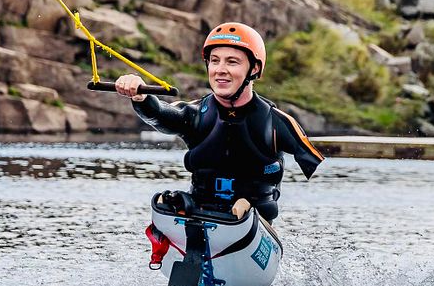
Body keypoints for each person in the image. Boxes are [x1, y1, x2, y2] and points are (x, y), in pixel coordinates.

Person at [115, 21, 324, 222]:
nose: (220, 69)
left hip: (254, 219)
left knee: (243, 208)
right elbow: (161, 113)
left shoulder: (277, 122)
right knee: (165, 202)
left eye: (232, 62)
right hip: (200, 213)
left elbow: (314, 163)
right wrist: (141, 98)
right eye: (215, 61)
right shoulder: (195, 113)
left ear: (254, 69)